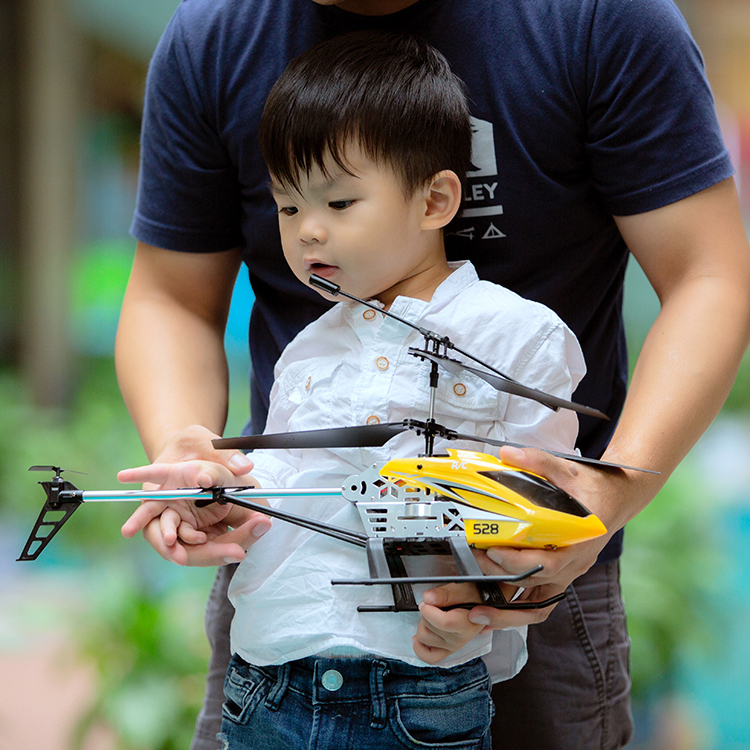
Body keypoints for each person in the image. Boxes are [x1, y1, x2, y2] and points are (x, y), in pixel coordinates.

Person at [115, 1, 750, 748]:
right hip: (288, 596)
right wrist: (191, 458)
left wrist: (609, 493)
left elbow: (709, 275)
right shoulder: (214, 36)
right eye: (291, 206)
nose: (310, 228)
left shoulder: (602, 18)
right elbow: (171, 296)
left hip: (527, 575)